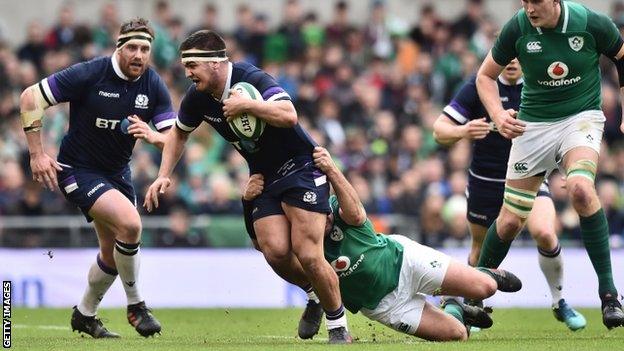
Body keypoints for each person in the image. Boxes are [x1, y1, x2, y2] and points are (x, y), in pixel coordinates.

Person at [143, 30, 351, 343]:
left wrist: (248, 106)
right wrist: (163, 174)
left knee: (308, 254)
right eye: (185, 65)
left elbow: (289, 115)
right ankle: (315, 294)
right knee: (274, 251)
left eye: (192, 65)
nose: (187, 72)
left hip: (301, 168)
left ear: (214, 63)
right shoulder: (197, 97)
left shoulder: (251, 78)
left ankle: (339, 328)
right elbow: (179, 133)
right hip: (263, 177)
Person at [243, 146, 523, 341]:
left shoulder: (336, 208)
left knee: (485, 288)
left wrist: (332, 170)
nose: (320, 217)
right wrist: (248, 203)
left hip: (405, 262)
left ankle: (483, 274)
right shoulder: (300, 242)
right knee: (457, 334)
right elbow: (264, 246)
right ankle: (453, 305)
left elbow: (356, 213)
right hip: (385, 307)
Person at [474, 0, 624, 329]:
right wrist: (498, 115)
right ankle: (472, 297)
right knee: (511, 221)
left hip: (580, 118)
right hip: (534, 125)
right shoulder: (517, 27)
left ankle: (610, 294)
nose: (529, 8)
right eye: (524, 1)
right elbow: (485, 77)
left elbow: (622, 58)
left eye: (536, 1)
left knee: (582, 189)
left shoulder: (590, 23)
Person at [20, 18, 173, 338]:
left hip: (118, 173)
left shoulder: (153, 84)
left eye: (145, 49)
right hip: (77, 170)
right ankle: (136, 305)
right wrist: (37, 153)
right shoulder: (90, 73)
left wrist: (153, 136)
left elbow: (174, 137)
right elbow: (30, 97)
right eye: (132, 47)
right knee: (131, 225)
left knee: (112, 253)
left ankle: (85, 314)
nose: (139, 55)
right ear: (118, 47)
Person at [432, 59, 586, 330]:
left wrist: (569, 167)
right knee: (479, 252)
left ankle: (559, 301)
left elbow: (561, 131)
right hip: (485, 183)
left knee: (546, 234)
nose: (513, 62)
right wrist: (463, 131)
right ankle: (473, 306)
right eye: (507, 55)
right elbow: (439, 130)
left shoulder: (540, 86)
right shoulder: (478, 85)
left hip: (530, 178)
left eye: (518, 55)